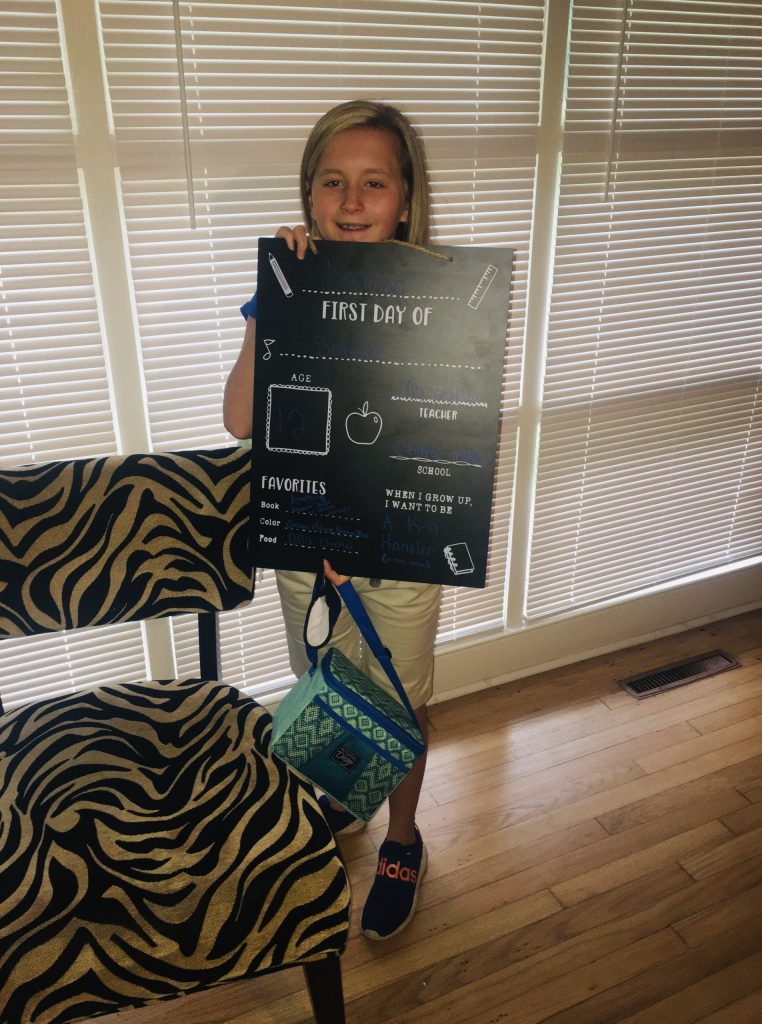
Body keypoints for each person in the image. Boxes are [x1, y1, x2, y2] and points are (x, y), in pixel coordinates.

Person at [223, 99, 441, 941]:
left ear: (404, 199)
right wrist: (273, 303)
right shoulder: (287, 289)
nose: (352, 201)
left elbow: (448, 442)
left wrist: (375, 524)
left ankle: (403, 838)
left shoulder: (445, 301)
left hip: (399, 551)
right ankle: (351, 797)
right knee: (328, 684)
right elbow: (240, 418)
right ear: (309, 197)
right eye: (333, 183)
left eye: (374, 183)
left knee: (401, 699)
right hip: (306, 546)